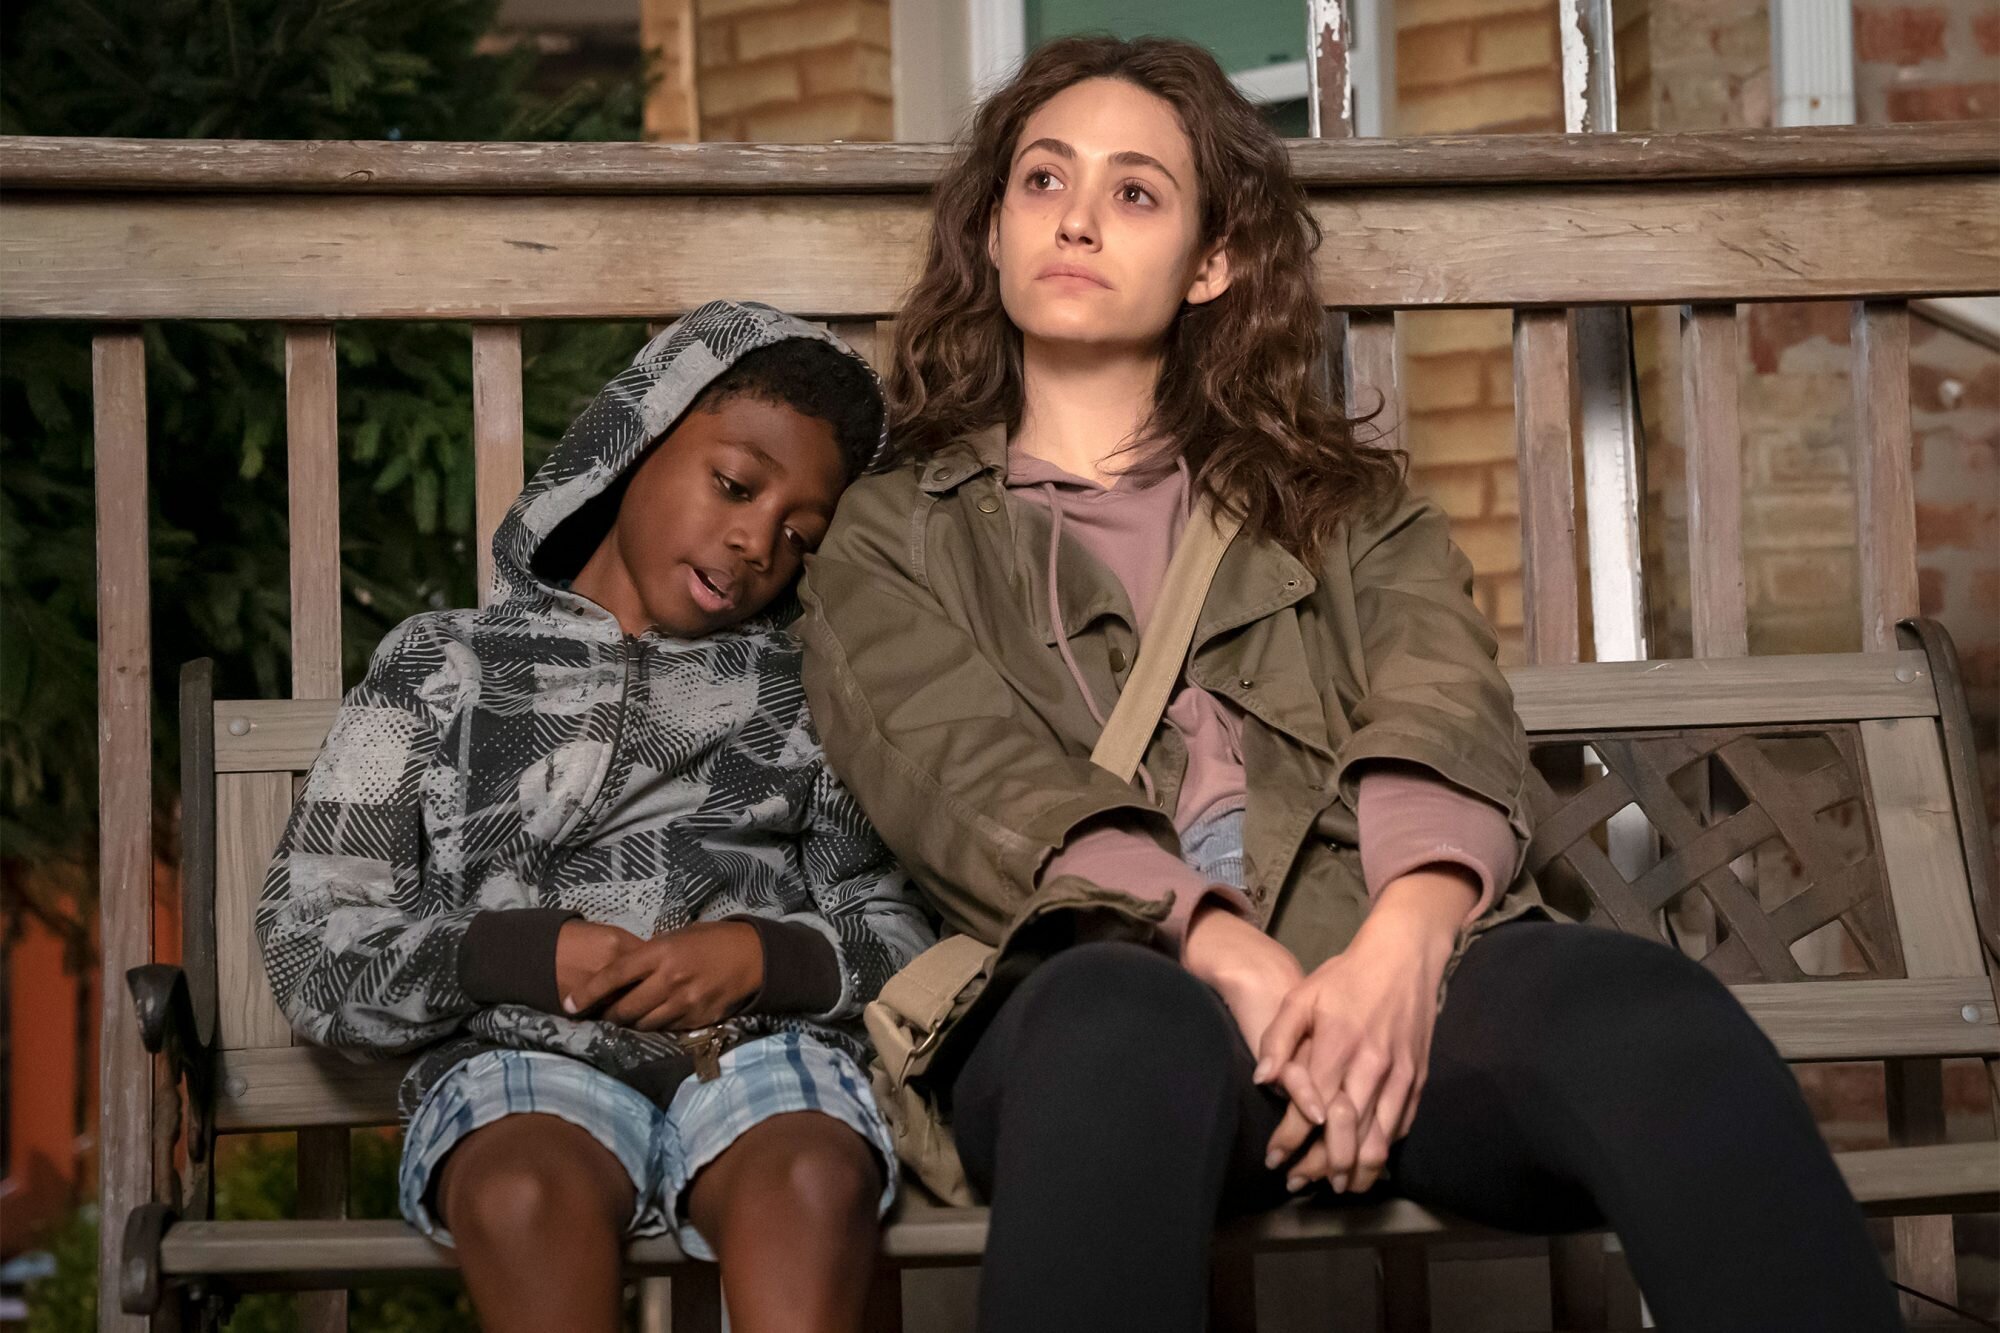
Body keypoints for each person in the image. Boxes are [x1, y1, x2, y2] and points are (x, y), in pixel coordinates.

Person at [795, 36, 1901, 1333]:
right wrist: (1228, 956)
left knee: (1643, 1011)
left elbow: (1445, 703)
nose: (1079, 216)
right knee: (1120, 1023)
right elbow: (967, 777)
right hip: (1096, 999)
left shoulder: (1351, 513)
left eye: (1137, 191)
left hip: (1382, 988)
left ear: (1212, 262)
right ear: (989, 228)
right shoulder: (891, 534)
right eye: (1043, 180)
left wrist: (1405, 942)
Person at [257, 301, 935, 1333]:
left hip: (755, 1056)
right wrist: (518, 957)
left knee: (808, 1179)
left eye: (801, 535)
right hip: (519, 1058)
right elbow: (315, 941)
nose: (757, 539)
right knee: (520, 1189)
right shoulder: (446, 665)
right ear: (637, 443)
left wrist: (762, 957)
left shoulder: (804, 692)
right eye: (735, 484)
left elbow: (898, 935)